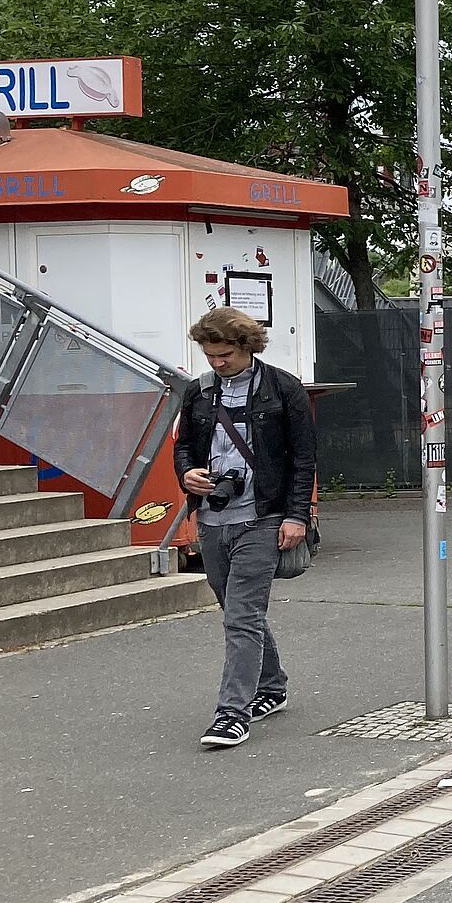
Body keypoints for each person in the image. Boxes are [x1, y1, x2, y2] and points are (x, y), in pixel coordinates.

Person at [175, 307, 317, 749]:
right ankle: (272, 687)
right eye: (210, 354)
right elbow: (184, 446)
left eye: (226, 355)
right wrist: (187, 474)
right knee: (237, 610)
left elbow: (304, 458)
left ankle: (231, 714)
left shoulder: (283, 388)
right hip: (212, 517)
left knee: (241, 616)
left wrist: (297, 515)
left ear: (247, 346)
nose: (218, 362)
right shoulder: (199, 391)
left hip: (264, 516)